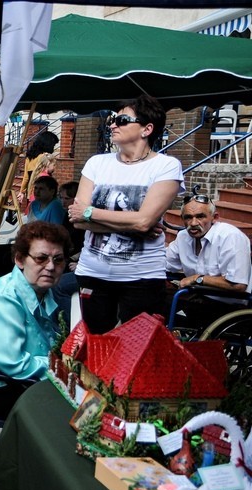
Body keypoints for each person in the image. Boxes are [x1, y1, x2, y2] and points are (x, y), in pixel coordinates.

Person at [68, 94, 184, 334]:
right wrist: (134, 224)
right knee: (95, 346)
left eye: (121, 120)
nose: (112, 124)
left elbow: (143, 222)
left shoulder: (165, 166)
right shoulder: (97, 163)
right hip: (93, 274)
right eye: (113, 119)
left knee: (137, 350)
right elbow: (77, 221)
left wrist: (91, 212)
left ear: (147, 128)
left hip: (142, 278)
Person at [0, 221, 70, 418]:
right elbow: (11, 363)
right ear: (20, 259)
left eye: (58, 259)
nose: (51, 267)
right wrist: (59, 369)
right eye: (41, 259)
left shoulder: (41, 289)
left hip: (15, 377)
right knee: (77, 412)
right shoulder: (7, 298)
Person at [165, 194, 251, 327]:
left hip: (229, 305)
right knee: (150, 295)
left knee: (162, 304)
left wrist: (198, 278)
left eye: (200, 216)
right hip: (199, 297)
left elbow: (238, 284)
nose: (193, 223)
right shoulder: (183, 237)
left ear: (214, 218)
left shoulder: (229, 237)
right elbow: (165, 264)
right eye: (188, 217)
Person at [52, 180, 85, 327]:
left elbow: (85, 246)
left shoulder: (84, 221)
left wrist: (76, 260)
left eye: (67, 198)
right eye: (61, 198)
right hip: (69, 259)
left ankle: (67, 327)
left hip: (80, 264)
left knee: (56, 284)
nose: (63, 202)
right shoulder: (67, 215)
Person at [17, 131, 58, 206]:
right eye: (53, 145)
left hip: (31, 192)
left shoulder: (29, 158)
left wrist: (22, 192)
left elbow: (26, 177)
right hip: (41, 193)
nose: (54, 148)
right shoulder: (44, 157)